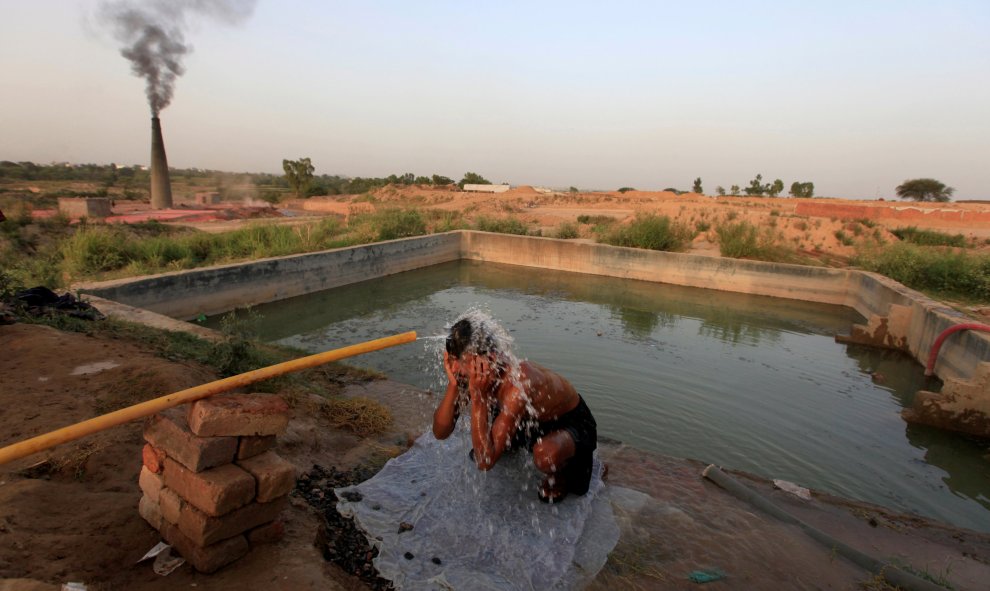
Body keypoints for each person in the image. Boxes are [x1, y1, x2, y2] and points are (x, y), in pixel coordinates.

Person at [432, 317, 598, 503]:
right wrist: (453, 385)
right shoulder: (470, 371)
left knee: (545, 456)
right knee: (487, 444)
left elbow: (484, 462)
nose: (454, 368)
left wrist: (479, 396)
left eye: (461, 361)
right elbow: (440, 432)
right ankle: (509, 441)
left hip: (568, 422)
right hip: (523, 421)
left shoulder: (519, 382)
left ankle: (563, 471)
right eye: (452, 359)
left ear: (490, 360)